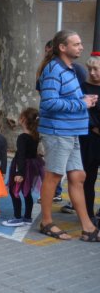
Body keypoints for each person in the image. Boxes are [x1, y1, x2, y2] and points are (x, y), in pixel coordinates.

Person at [37, 30, 99, 241]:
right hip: (58, 131)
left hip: (71, 132)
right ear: (63, 47)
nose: (81, 47)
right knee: (54, 176)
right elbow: (49, 103)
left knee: (78, 176)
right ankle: (46, 222)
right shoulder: (54, 70)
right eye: (76, 44)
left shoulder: (70, 69)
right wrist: (81, 103)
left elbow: (64, 97)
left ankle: (88, 227)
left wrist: (83, 98)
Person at [3, 108, 45, 227]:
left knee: (13, 190)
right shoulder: (35, 135)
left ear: (23, 119)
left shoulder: (23, 137)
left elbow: (21, 155)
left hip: (22, 166)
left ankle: (17, 217)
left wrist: (19, 173)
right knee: (26, 192)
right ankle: (27, 217)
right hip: (32, 165)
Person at [80, 53, 100, 223]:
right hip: (90, 139)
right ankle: (88, 214)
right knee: (88, 178)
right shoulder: (82, 88)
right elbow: (81, 114)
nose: (92, 73)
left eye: (96, 69)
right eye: (90, 69)